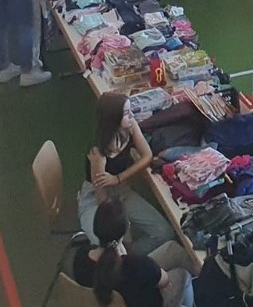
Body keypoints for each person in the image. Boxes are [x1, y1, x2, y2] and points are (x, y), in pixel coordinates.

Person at [77, 92, 177, 257]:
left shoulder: (130, 127)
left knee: (164, 233)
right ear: (113, 118)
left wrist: (118, 179)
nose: (132, 115)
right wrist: (121, 227)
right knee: (108, 248)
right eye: (126, 113)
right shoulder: (98, 151)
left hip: (121, 190)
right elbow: (102, 200)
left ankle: (127, 259)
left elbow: (147, 156)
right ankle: (120, 260)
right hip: (95, 199)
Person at [72, 198, 194, 307]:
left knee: (172, 248)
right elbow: (164, 281)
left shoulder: (80, 256)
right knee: (183, 274)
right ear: (127, 228)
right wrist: (155, 273)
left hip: (113, 298)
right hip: (148, 301)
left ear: (96, 228)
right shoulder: (138, 265)